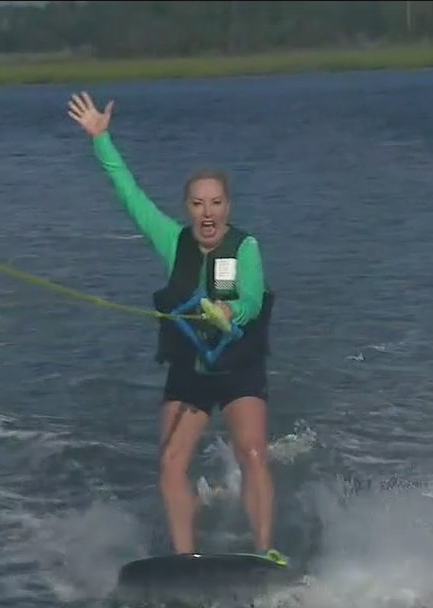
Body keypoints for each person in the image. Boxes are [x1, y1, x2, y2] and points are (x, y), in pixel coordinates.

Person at [66, 91, 285, 566]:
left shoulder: (245, 247)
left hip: (237, 365)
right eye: (198, 204)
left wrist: (230, 312)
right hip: (190, 369)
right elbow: (129, 194)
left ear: (228, 207)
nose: (207, 213)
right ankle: (185, 560)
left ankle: (264, 552)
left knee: (251, 453)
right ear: (187, 208)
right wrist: (101, 139)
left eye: (216, 203)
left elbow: (251, 297)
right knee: (169, 462)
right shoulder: (172, 240)